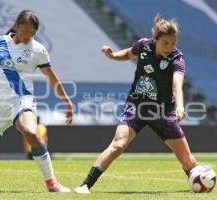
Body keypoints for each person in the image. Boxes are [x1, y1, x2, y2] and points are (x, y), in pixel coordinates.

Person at [75, 14, 196, 194]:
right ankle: (85, 185)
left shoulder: (177, 58)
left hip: (163, 111)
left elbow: (177, 85)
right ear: (155, 39)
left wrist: (179, 106)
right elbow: (128, 53)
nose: (169, 48)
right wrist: (113, 55)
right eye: (166, 43)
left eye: (173, 43)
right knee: (118, 144)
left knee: (188, 162)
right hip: (136, 106)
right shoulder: (144, 45)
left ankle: (198, 181)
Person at [0, 10, 73, 193]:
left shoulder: (38, 50)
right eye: (25, 29)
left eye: (33, 31)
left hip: (22, 98)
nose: (29, 35)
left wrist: (67, 102)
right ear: (16, 26)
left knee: (30, 132)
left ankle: (52, 183)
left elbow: (52, 77)